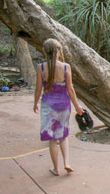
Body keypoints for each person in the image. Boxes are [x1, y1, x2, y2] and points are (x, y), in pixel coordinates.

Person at [33, 38, 84, 176]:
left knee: (52, 138)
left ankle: (56, 169)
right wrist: (78, 107)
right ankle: (67, 163)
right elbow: (70, 89)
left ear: (45, 51)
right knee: (63, 135)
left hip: (48, 105)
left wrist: (35, 103)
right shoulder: (66, 67)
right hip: (63, 104)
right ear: (58, 51)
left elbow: (38, 89)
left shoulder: (41, 68)